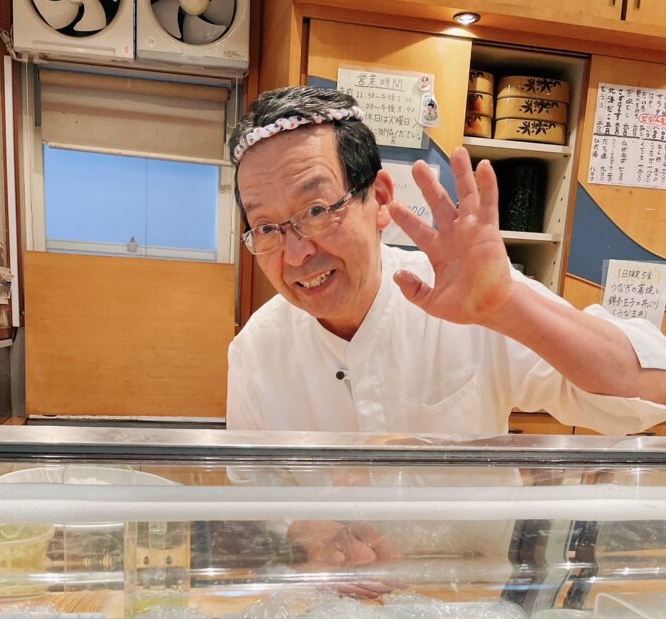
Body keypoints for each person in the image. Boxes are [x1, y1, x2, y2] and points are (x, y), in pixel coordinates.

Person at [225, 85, 666, 571]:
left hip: (470, 594)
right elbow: (252, 493)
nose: (295, 254)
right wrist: (304, 536)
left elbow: (645, 394)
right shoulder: (255, 351)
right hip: (325, 601)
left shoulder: (467, 296)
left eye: (316, 211)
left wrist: (511, 307)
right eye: (266, 228)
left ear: (380, 199)